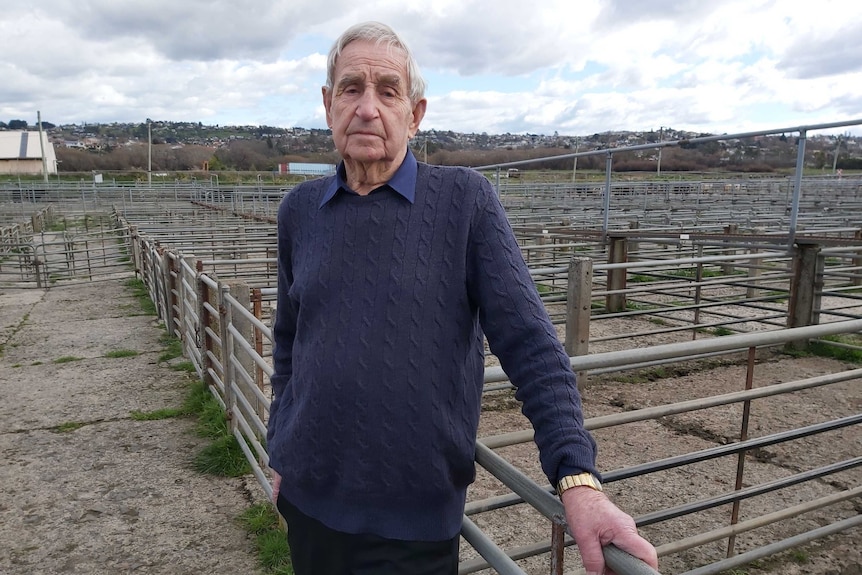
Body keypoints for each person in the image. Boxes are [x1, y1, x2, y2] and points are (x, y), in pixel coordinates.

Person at [267, 20, 658, 575]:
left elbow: (530, 344)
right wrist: (279, 447)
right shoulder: (300, 211)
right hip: (309, 503)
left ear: (415, 113)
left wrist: (578, 479)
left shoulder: (464, 203)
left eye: (388, 91)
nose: (367, 107)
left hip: (414, 519)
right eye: (351, 88)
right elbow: (289, 343)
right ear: (329, 104)